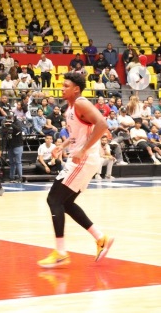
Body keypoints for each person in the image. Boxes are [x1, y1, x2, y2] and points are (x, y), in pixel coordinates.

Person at [37, 72, 114, 269]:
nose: (61, 88)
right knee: (66, 202)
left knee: (53, 199)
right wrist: (62, 146)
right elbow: (77, 135)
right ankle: (101, 238)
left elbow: (102, 125)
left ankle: (61, 252)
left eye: (65, 85)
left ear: (76, 89)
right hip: (82, 158)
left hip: (84, 160)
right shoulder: (70, 108)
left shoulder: (81, 103)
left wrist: (83, 149)